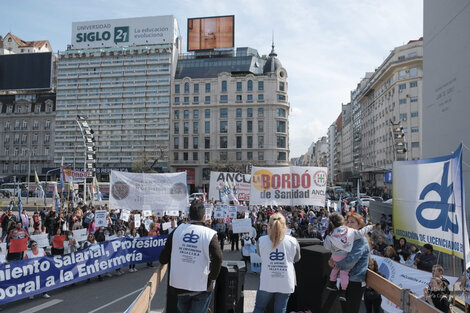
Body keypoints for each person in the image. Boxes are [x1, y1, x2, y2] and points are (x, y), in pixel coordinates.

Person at [159, 200, 223, 313]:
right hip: (201, 286)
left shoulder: (177, 231)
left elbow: (163, 257)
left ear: (188, 216)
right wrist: (212, 278)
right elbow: (218, 257)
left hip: (180, 286)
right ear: (204, 217)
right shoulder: (209, 234)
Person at [253, 213, 301, 313]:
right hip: (285, 280)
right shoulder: (293, 241)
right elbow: (297, 259)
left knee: (259, 308)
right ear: (285, 226)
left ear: (268, 226)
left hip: (267, 279)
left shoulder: (261, 240)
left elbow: (261, 254)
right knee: (281, 310)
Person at [323, 212, 371, 313]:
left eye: (352, 222)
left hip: (355, 281)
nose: (349, 224)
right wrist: (333, 259)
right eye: (348, 222)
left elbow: (350, 262)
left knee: (351, 310)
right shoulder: (348, 238)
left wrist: (335, 264)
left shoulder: (361, 240)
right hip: (345, 278)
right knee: (345, 309)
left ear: (360, 226)